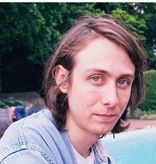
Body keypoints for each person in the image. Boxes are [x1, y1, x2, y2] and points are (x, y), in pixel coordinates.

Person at [0, 15, 146, 163]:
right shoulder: (27, 150)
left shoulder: (102, 158)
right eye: (96, 78)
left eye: (123, 82)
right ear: (63, 79)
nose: (112, 100)